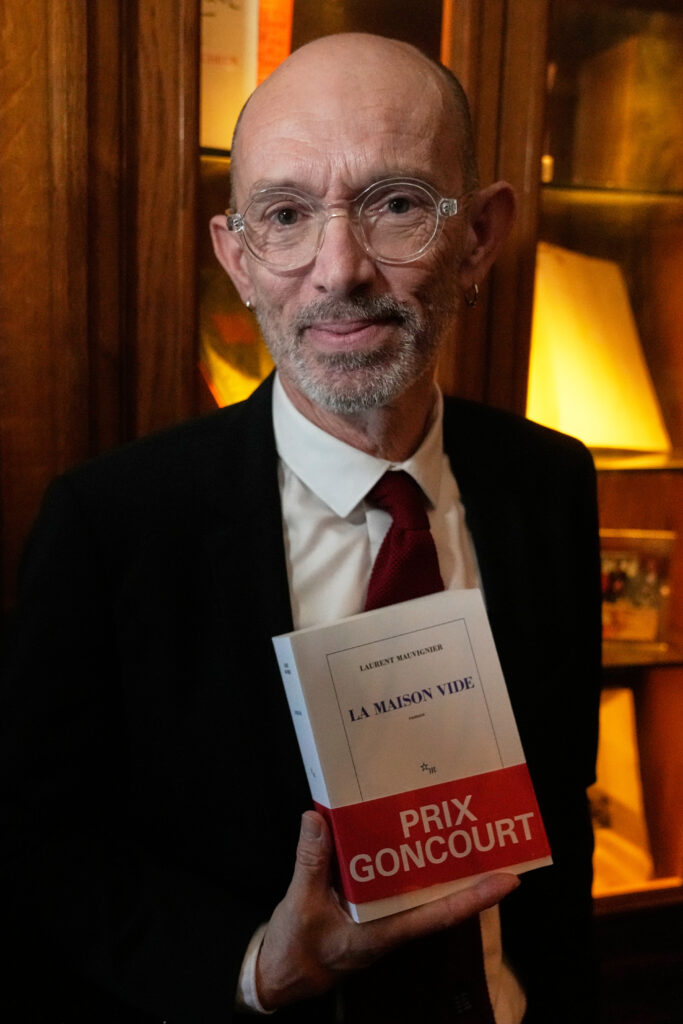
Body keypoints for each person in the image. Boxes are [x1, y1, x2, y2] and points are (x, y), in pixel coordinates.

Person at [0, 32, 601, 1024]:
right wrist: (253, 969)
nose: (338, 271)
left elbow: (559, 809)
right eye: (285, 215)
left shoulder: (548, 483)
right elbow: (37, 849)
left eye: (395, 204)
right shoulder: (111, 529)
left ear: (480, 237)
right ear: (236, 257)